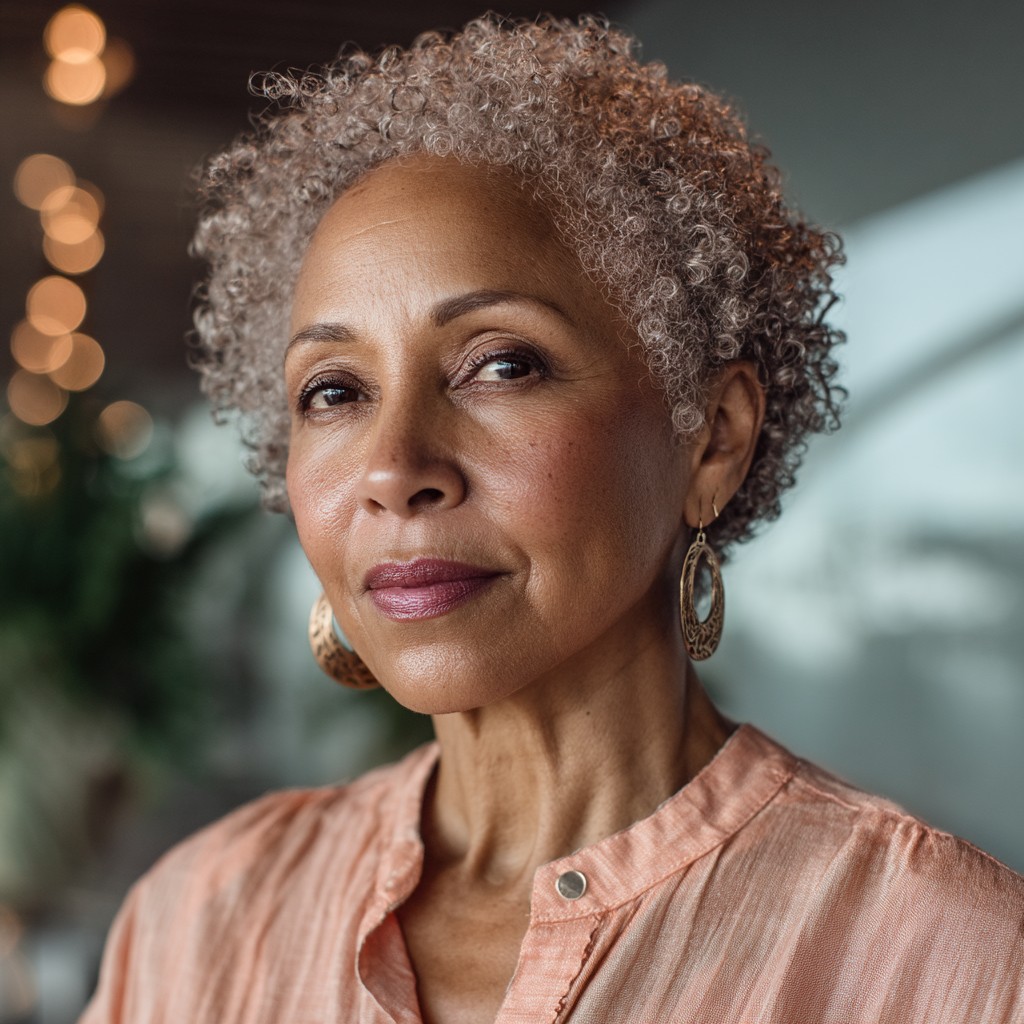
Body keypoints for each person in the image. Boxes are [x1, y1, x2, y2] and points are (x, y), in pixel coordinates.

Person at [81, 15, 1024, 1024]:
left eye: (501, 364)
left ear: (711, 437)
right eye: (334, 391)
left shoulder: (945, 959)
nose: (394, 469)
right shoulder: (201, 921)